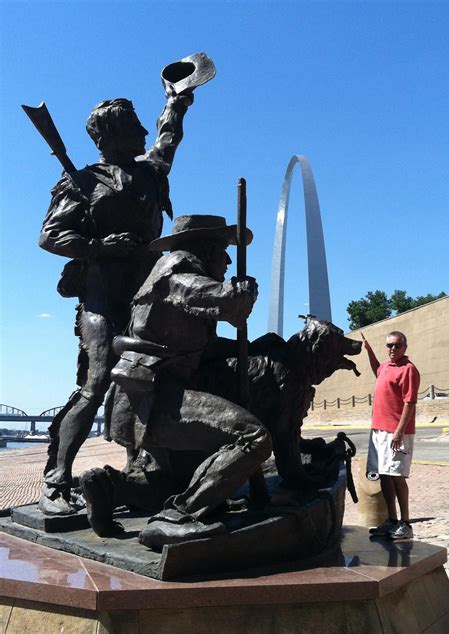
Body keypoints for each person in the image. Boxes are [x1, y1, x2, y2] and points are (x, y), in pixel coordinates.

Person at [38, 91, 194, 514]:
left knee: (152, 374)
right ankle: (56, 479)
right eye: (132, 126)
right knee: (98, 379)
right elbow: (50, 235)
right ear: (109, 135)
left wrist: (175, 102)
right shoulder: (82, 182)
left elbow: (168, 136)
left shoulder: (150, 171)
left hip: (146, 295)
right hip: (102, 295)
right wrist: (99, 246)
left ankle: (140, 467)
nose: (143, 132)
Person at [80, 214, 272, 546]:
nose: (228, 259)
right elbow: (226, 303)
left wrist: (257, 349)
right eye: (222, 249)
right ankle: (177, 518)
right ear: (203, 248)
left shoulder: (165, 279)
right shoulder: (178, 276)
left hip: (142, 394)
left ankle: (109, 488)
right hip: (156, 397)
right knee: (253, 438)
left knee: (169, 482)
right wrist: (242, 291)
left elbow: (199, 343)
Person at [362, 331, 420, 539]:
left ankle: (405, 524)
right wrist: (369, 351)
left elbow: (410, 402)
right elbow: (377, 370)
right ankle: (392, 521)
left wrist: (399, 431)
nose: (392, 349)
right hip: (379, 429)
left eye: (396, 345)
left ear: (405, 346)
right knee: (384, 475)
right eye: (389, 345)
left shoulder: (409, 370)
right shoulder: (386, 366)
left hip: (396, 432)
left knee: (397, 476)